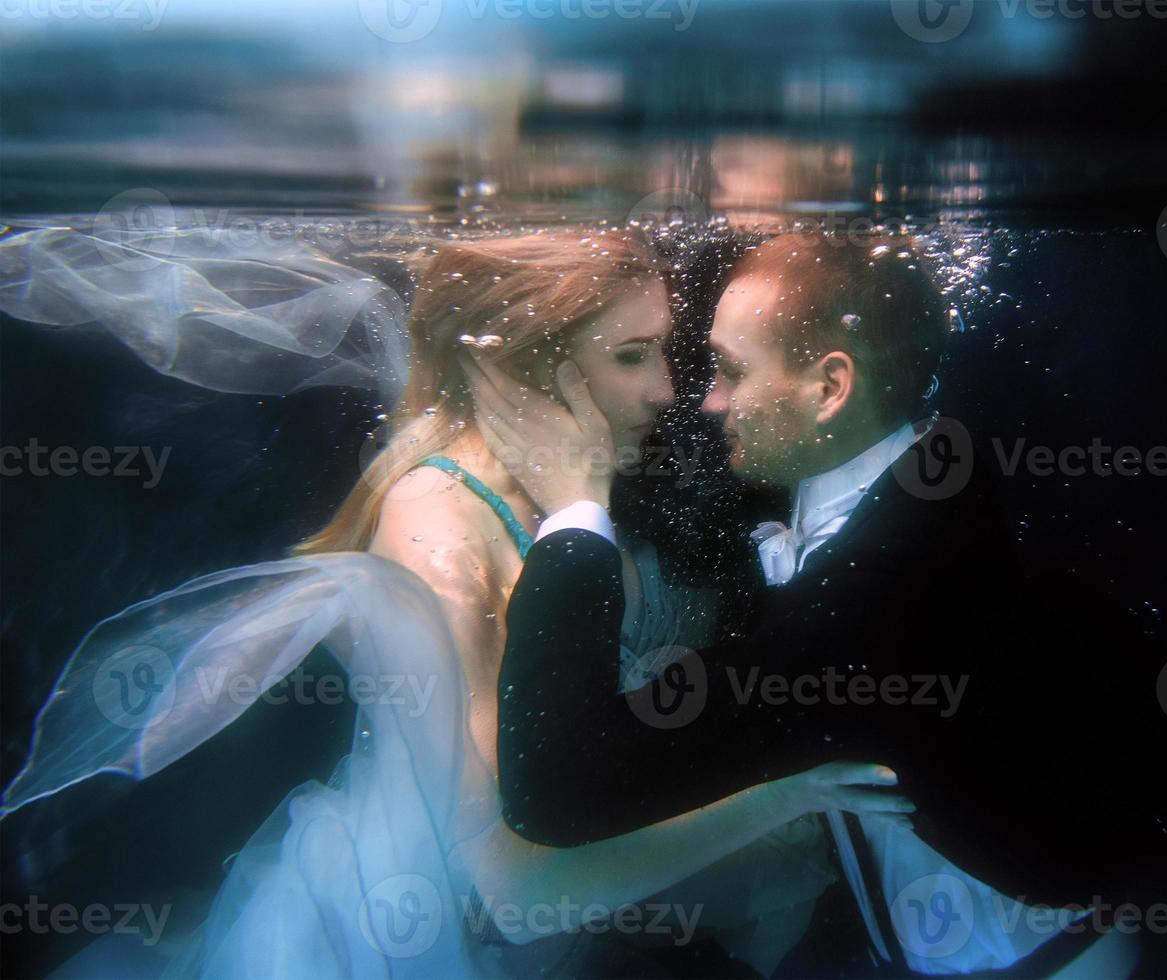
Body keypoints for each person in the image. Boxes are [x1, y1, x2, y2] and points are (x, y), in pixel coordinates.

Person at [0, 228, 907, 979]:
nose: (668, 393)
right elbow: (518, 898)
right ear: (526, 361)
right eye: (632, 357)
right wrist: (784, 796)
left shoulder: (544, 492)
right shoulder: (439, 529)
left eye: (663, 352)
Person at [492, 232, 1154, 976]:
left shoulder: (872, 605)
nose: (705, 401)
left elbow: (554, 789)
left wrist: (577, 510)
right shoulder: (928, 460)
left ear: (829, 389)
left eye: (730, 371)